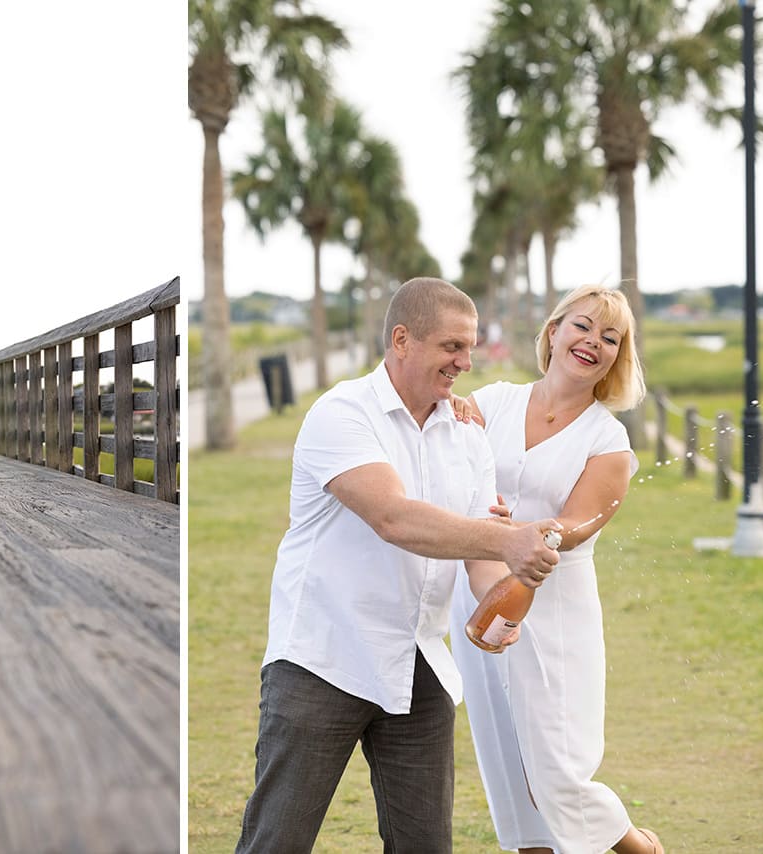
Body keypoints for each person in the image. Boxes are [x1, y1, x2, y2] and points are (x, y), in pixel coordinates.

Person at [233, 277, 564, 854]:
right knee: (277, 842)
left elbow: (478, 557)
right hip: (323, 656)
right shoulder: (341, 414)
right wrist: (503, 540)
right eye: (452, 347)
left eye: (470, 347)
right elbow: (392, 518)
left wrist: (504, 595)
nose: (466, 361)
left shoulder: (467, 437)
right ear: (402, 339)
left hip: (421, 664)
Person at [448, 284, 663, 854]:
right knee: (511, 774)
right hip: (479, 599)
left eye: (610, 337)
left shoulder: (608, 440)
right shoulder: (490, 402)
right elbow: (451, 468)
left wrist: (534, 532)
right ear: (553, 332)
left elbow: (580, 522)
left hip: (555, 606)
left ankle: (642, 849)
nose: (593, 342)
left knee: (556, 773)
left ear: (618, 357)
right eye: (583, 326)